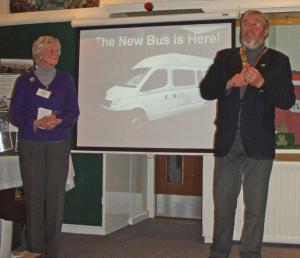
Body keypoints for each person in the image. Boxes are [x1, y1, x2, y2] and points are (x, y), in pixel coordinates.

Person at [200, 10, 295, 258]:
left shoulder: (279, 60)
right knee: (223, 206)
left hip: (260, 145)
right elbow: (206, 91)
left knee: (255, 208)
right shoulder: (226, 57)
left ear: (266, 31)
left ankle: (251, 254)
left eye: (255, 24)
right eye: (245, 24)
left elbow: (287, 100)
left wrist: (262, 84)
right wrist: (228, 83)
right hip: (227, 144)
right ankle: (219, 252)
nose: (249, 28)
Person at [9, 35, 80, 258]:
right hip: (31, 145)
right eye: (51, 50)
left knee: (56, 199)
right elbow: (14, 115)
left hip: (58, 144)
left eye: (58, 50)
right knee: (33, 197)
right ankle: (35, 251)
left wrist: (59, 121)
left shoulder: (66, 80)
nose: (56, 53)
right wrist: (34, 123)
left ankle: (52, 252)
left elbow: (73, 113)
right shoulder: (23, 81)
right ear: (38, 55)